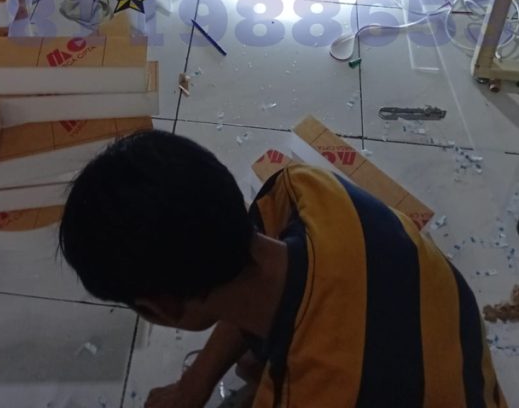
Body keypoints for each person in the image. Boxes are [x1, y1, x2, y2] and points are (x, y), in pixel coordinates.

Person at [59, 129, 506, 408]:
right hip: (439, 350)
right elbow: (239, 283)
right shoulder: (308, 189)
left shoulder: (313, 397)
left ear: (158, 309)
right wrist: (192, 387)